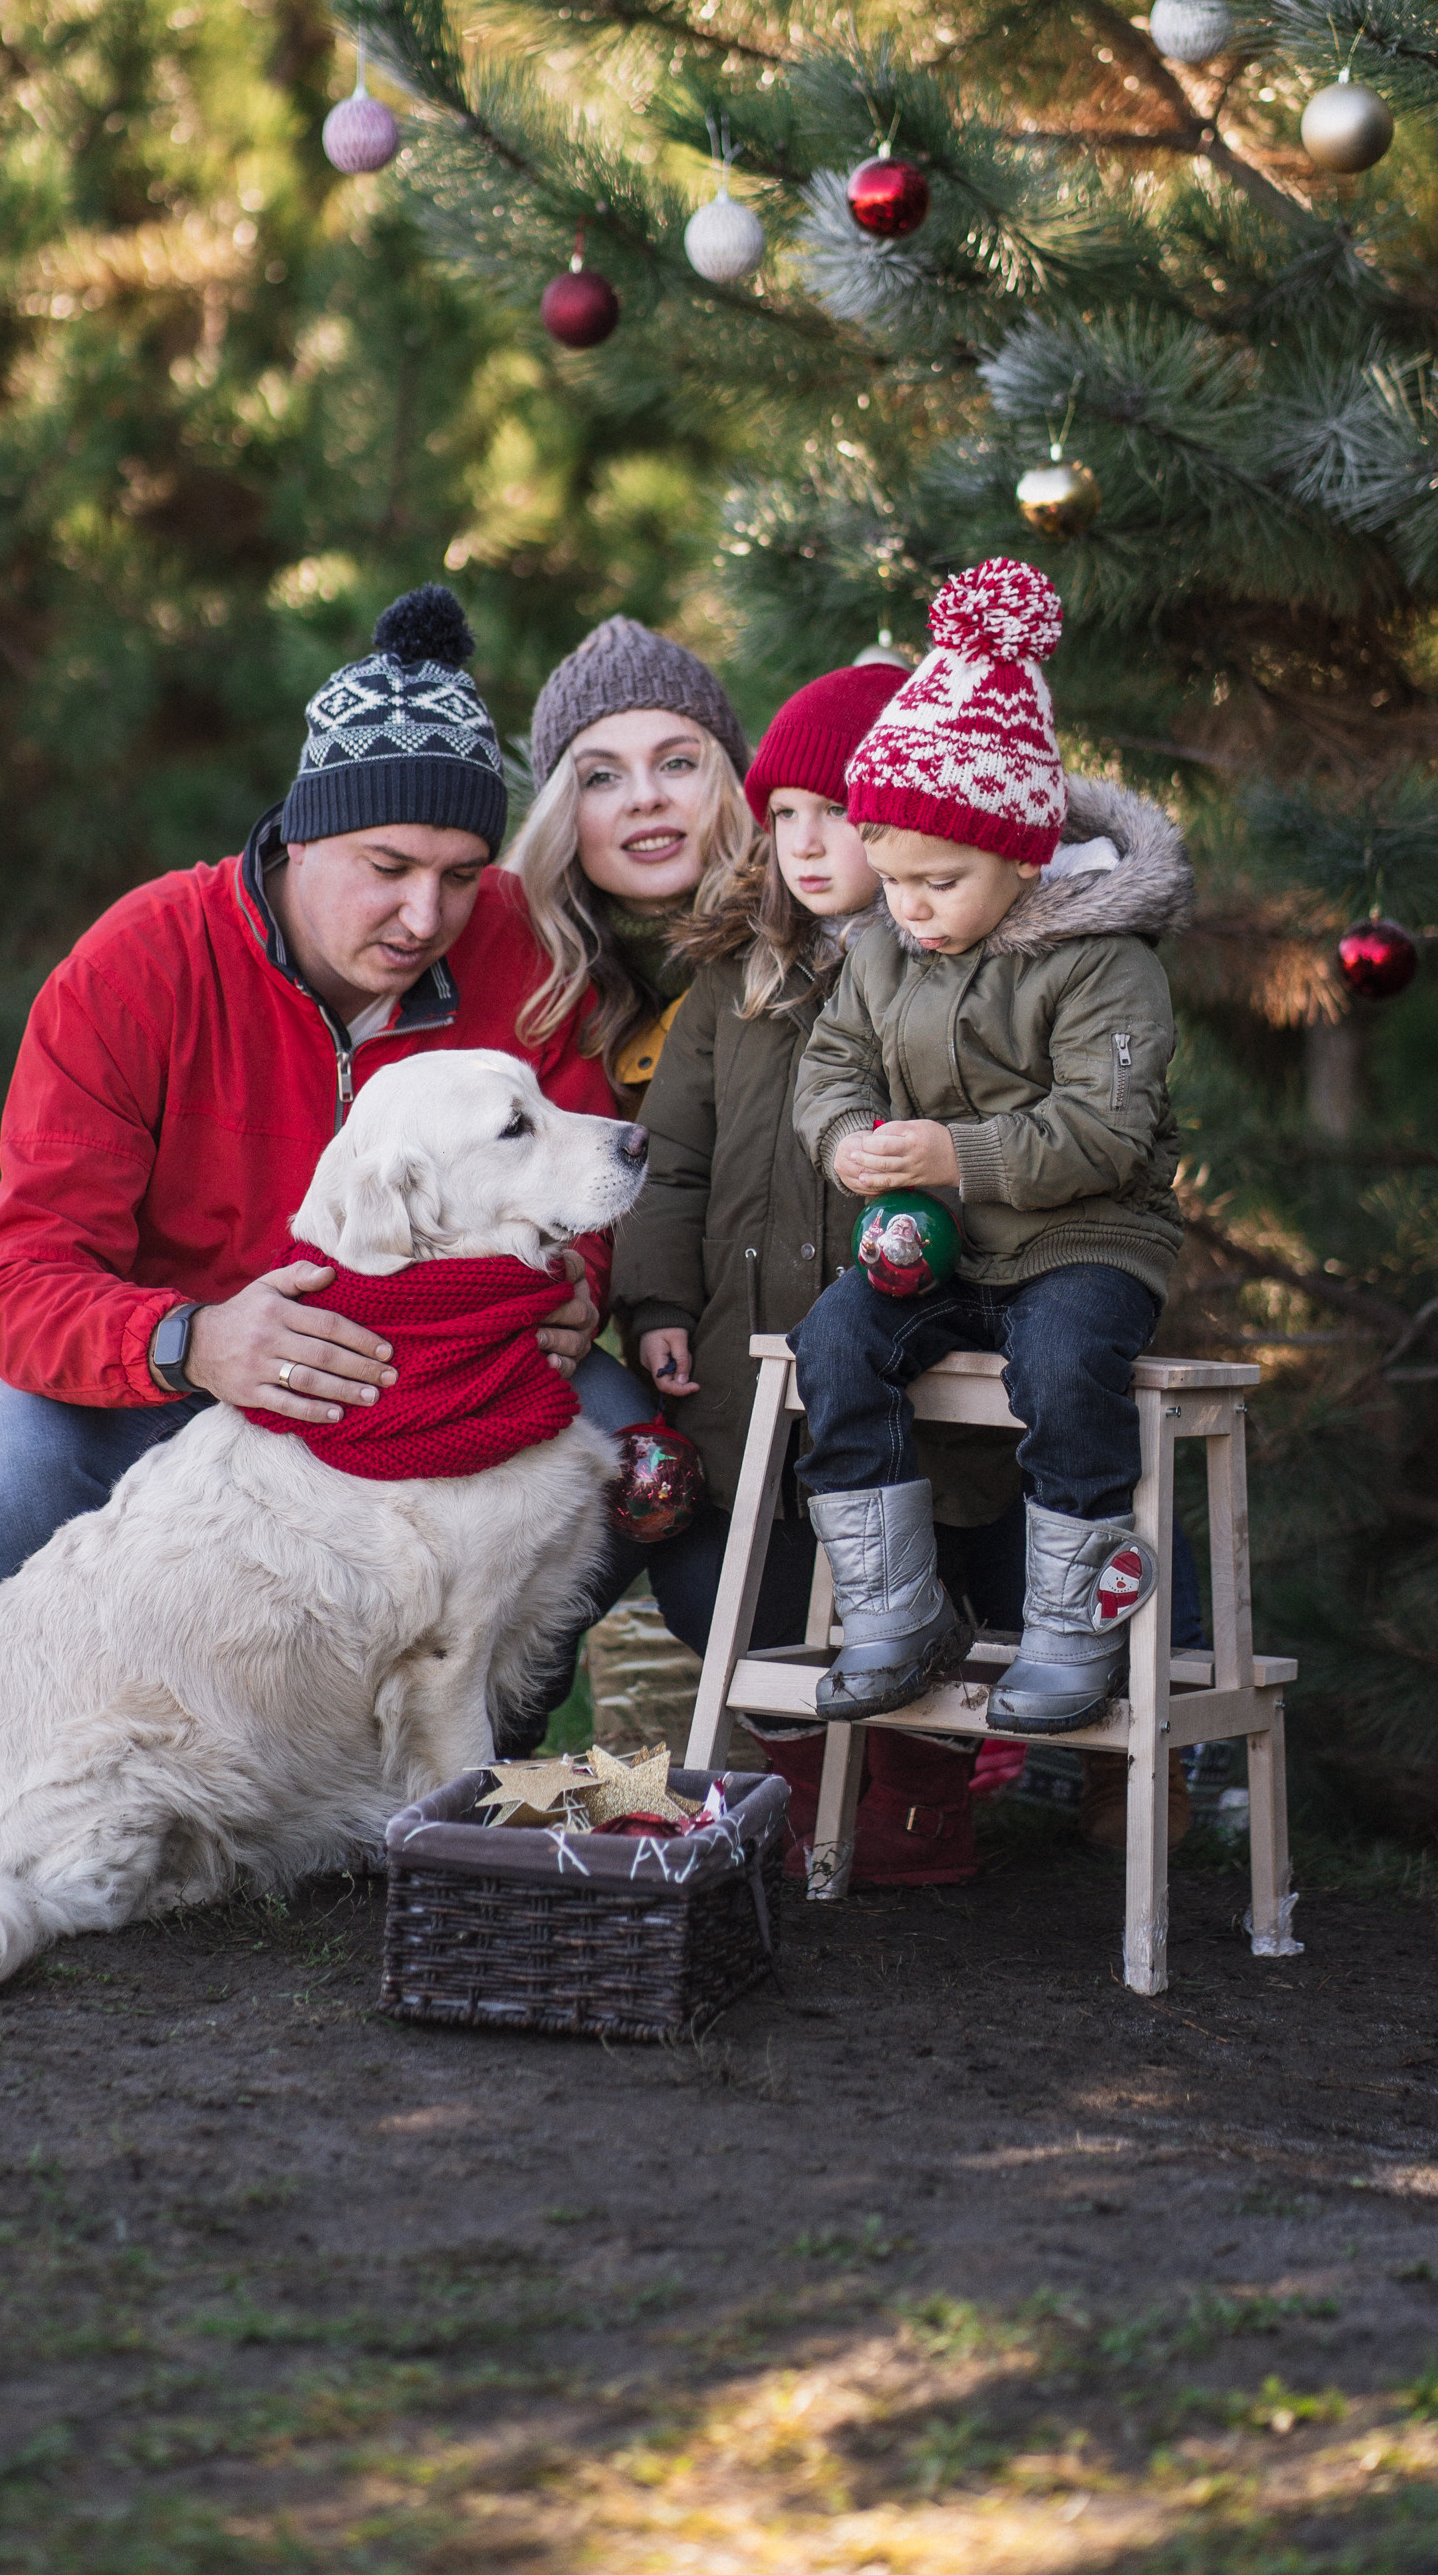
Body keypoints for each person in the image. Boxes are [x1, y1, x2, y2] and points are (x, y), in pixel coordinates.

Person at [0, 587, 632, 1605]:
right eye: (387, 865)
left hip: (445, 1377)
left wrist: (577, 1289)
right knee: (9, 1468)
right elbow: (24, 1281)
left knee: (630, 1455)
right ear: (302, 835)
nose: (424, 914)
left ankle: (477, 1733)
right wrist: (192, 1340)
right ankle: (168, 1711)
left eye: (460, 874)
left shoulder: (517, 948)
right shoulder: (138, 966)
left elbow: (579, 1182)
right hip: (187, 1389)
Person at [612, 657, 1028, 1883]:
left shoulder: (953, 975)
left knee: (916, 1570)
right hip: (746, 1352)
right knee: (774, 1585)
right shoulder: (732, 978)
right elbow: (675, 1158)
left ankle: (916, 1811)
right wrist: (654, 1304)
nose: (802, 843)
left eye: (836, 812)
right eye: (782, 815)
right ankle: (795, 1804)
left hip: (901, 1352)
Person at [790, 555, 1197, 1751]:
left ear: (1021, 857)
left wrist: (953, 1154)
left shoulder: (1102, 962)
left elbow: (1107, 1128)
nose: (908, 906)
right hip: (941, 1250)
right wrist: (849, 1144)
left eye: (940, 880)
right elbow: (833, 1071)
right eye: (894, 876)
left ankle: (1071, 1624)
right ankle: (893, 1609)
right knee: (836, 1340)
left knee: (1067, 1365)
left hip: (1082, 1239)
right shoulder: (880, 950)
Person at [506, 614, 754, 1108]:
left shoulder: (814, 944)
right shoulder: (522, 982)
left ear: (728, 780)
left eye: (677, 763)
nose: (645, 798)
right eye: (601, 776)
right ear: (561, 813)